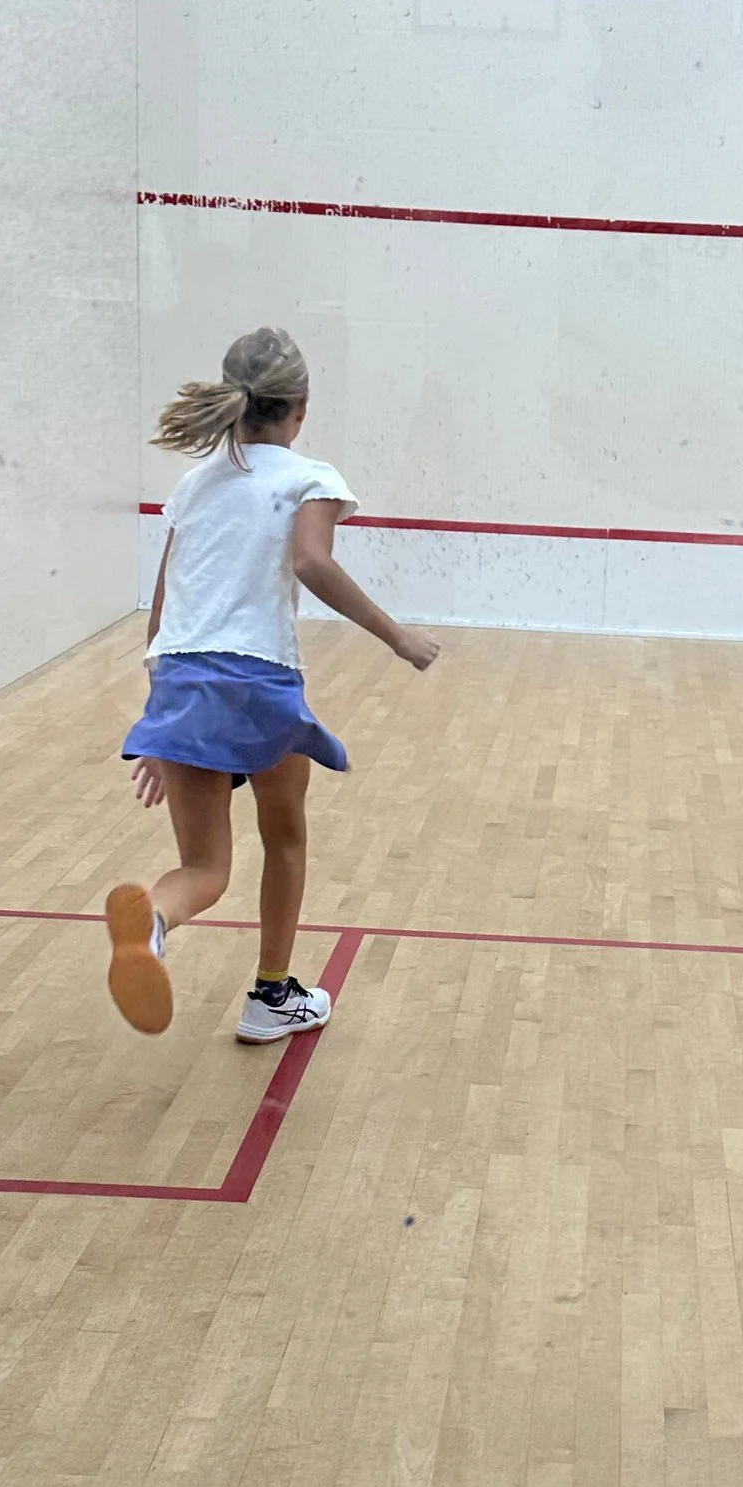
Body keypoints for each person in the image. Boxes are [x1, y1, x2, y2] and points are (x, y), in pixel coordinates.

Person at [105, 325, 437, 1040]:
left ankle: (154, 920)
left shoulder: (195, 485)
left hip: (183, 679)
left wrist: (164, 722)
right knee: (284, 837)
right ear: (300, 409)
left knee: (203, 866)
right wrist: (398, 637)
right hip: (257, 681)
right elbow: (313, 564)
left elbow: (164, 608)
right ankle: (271, 995)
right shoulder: (308, 477)